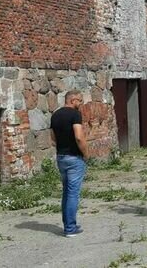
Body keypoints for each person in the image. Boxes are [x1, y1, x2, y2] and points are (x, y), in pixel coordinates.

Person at [50, 90, 89, 238]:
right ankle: (70, 228)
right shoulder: (74, 115)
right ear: (72, 100)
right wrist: (85, 154)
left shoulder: (55, 115)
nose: (80, 104)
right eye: (80, 100)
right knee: (73, 193)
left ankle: (68, 224)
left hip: (61, 157)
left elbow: (53, 137)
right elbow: (79, 137)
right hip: (74, 158)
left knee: (66, 192)